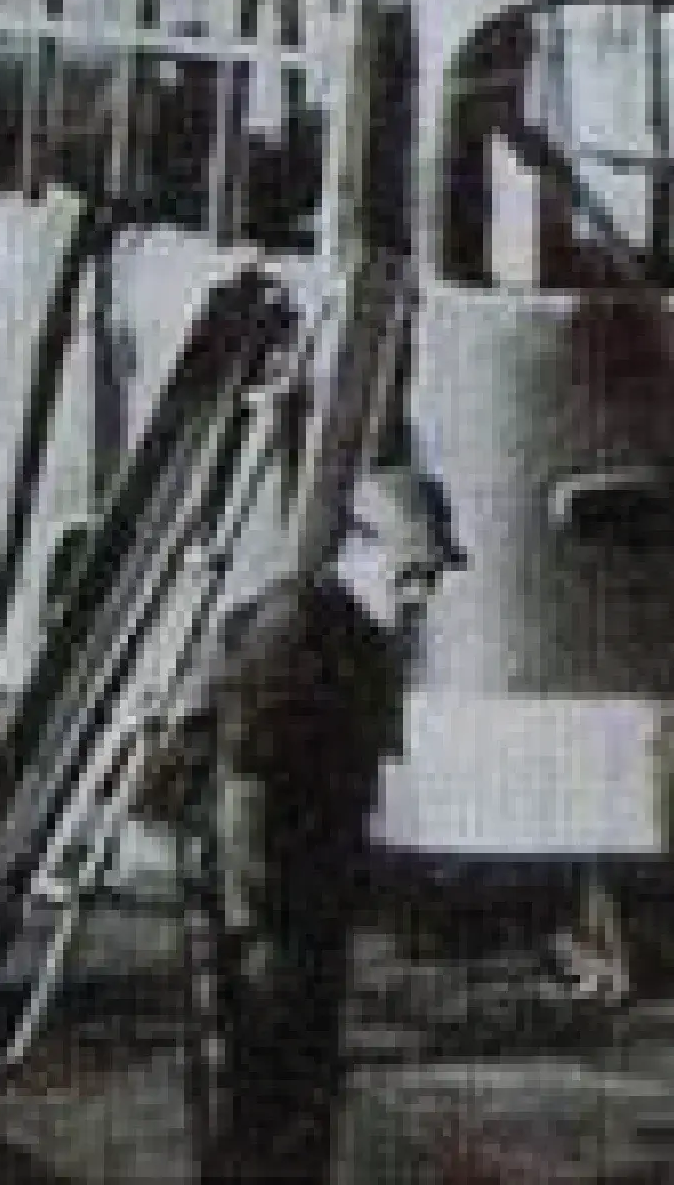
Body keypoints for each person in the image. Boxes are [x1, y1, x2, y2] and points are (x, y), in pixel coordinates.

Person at [192, 465, 440, 1183]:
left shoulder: (365, 641)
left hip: (313, 902)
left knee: (306, 1089)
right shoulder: (291, 634)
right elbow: (243, 786)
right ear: (357, 551)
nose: (420, 597)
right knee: (261, 1092)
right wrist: (250, 925)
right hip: (266, 909)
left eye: (428, 580)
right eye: (408, 575)